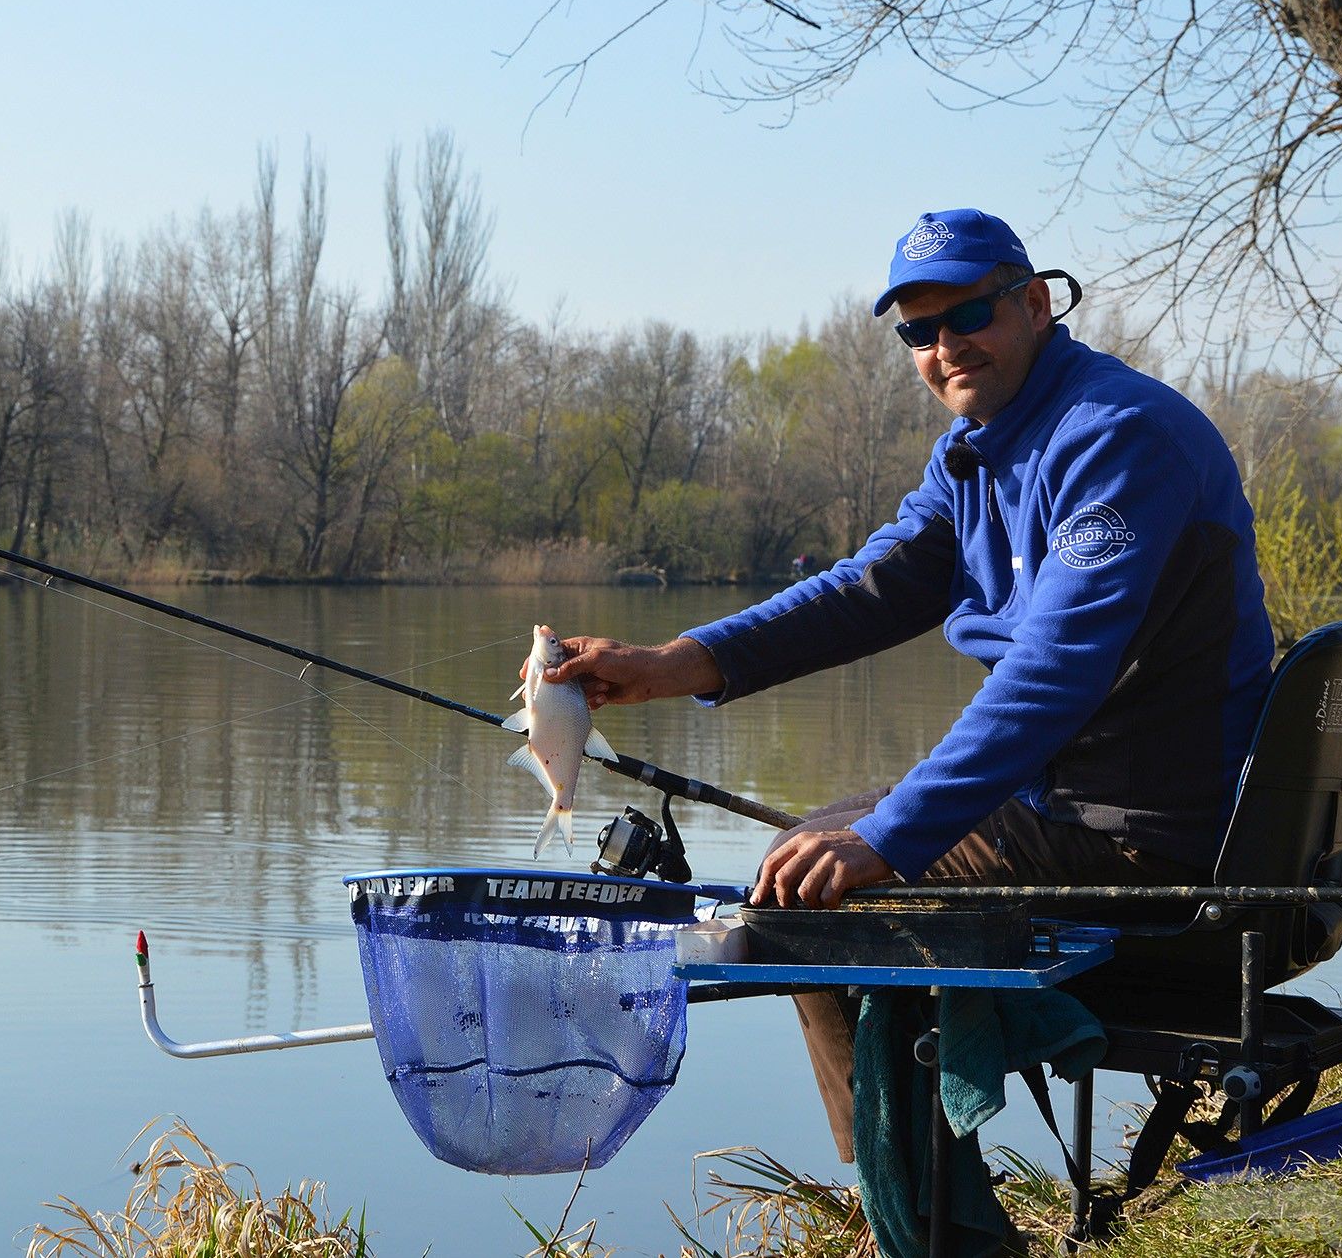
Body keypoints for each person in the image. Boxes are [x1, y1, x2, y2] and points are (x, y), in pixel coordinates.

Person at [546, 208, 1275, 1160]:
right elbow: (865, 589)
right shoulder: (978, 449)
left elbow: (1051, 676)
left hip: (1136, 837)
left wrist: (888, 840)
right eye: (918, 333)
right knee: (797, 864)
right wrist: (672, 665)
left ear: (1035, 303)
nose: (945, 348)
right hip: (1058, 802)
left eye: (967, 314)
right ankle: (896, 1191)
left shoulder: (1116, 437)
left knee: (806, 897)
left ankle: (922, 1214)